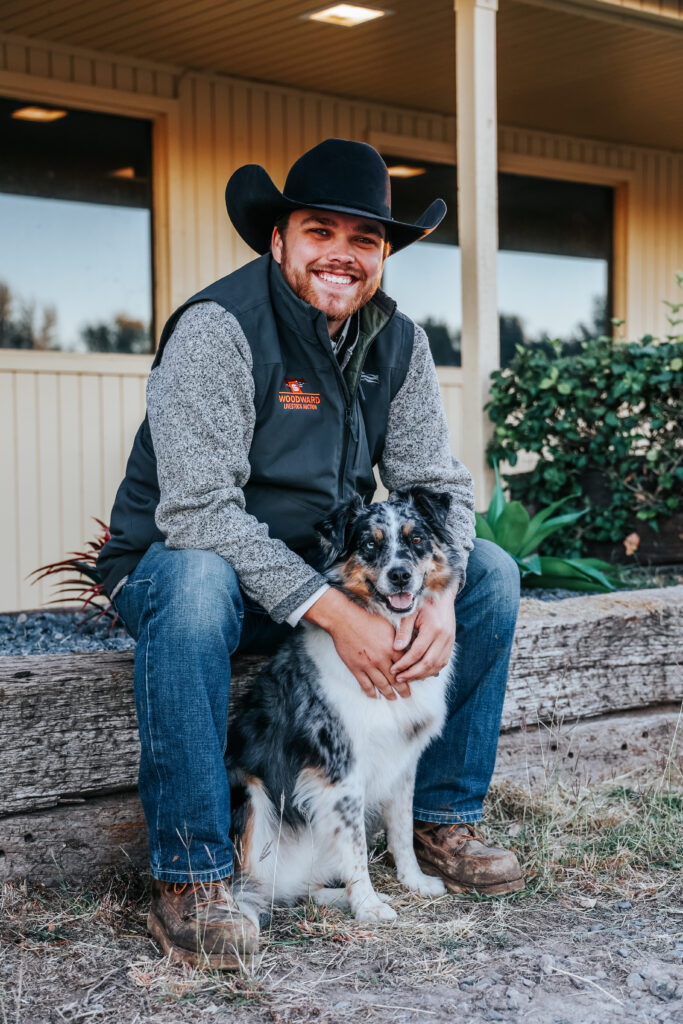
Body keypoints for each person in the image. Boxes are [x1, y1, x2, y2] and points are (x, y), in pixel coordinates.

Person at [98, 138, 522, 967]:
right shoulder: (218, 330)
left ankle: (440, 820)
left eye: (364, 239)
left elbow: (440, 483)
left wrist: (437, 590)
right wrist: (334, 612)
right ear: (278, 240)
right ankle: (192, 877)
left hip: (323, 565)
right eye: (319, 230)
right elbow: (197, 512)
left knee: (493, 577)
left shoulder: (397, 344)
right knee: (192, 582)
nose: (341, 254)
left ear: (383, 256)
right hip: (191, 563)